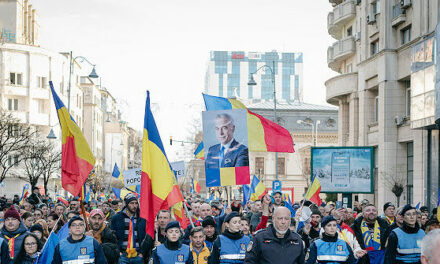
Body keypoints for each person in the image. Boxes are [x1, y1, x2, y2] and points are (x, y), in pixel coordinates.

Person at [111, 193, 146, 263]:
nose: (134, 206)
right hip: (123, 255)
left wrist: (142, 253)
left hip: (138, 256)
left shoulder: (142, 218)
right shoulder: (117, 218)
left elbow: (146, 237)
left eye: (136, 203)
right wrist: (118, 252)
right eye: (131, 203)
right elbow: (112, 236)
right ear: (127, 204)